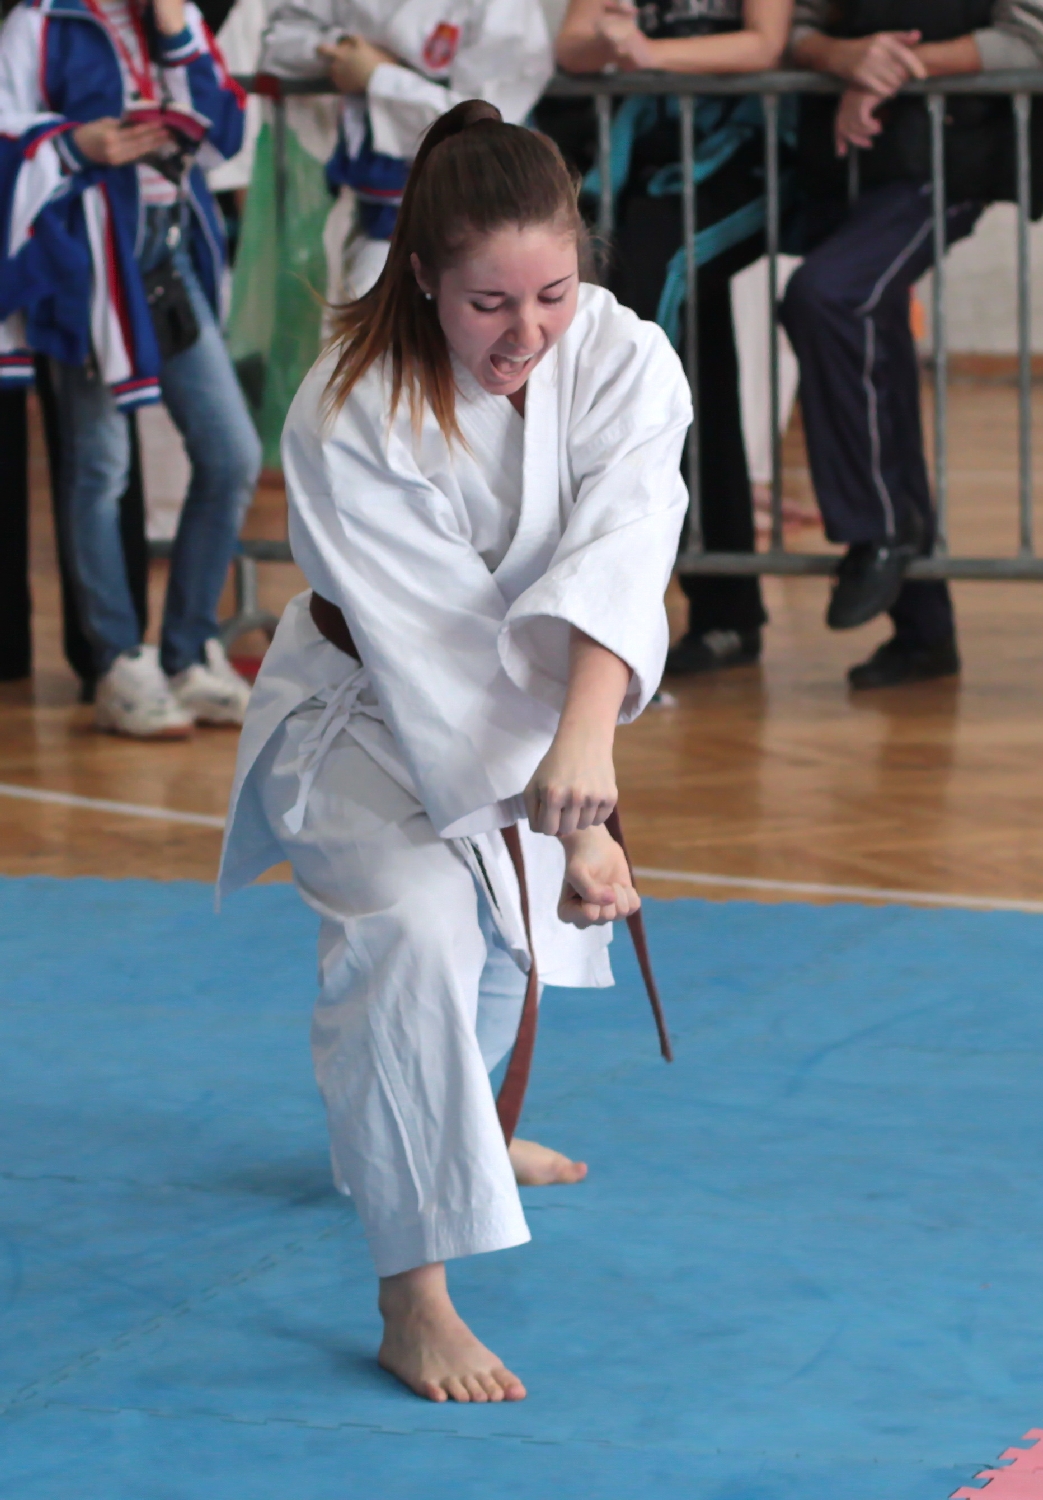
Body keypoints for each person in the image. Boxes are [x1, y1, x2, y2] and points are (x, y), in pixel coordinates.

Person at [218, 101, 691, 1402]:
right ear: (421, 274)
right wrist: (570, 823)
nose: (525, 333)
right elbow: (435, 652)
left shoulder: (623, 356)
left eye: (552, 292)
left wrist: (583, 764)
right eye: (488, 303)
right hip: (366, 709)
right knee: (418, 931)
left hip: (545, 708)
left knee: (502, 945)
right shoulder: (350, 406)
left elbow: (622, 550)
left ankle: (455, 1129)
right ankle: (410, 1292)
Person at [0, 0, 261, 736]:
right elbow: (4, 134)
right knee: (101, 464)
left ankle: (188, 652)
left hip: (169, 256)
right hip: (89, 263)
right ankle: (119, 661)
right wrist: (73, 144)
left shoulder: (174, 15)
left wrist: (175, 30)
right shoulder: (40, 22)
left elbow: (226, 130)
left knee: (232, 455)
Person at [782, 0, 1043, 689]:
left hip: (950, 157)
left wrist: (892, 69)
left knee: (828, 295)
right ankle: (924, 631)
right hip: (853, 164)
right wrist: (841, 57)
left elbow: (1031, 38)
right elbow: (797, 25)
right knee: (875, 349)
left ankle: (879, 527)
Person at [556, 0, 792, 677]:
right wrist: (611, 41)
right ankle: (721, 610)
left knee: (648, 346)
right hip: (644, 169)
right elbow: (572, 46)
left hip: (742, 157)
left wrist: (651, 54)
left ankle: (642, 597)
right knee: (694, 359)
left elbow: (764, 44)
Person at [258, 0, 555, 302]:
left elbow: (488, 121)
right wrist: (342, 49)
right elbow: (278, 43)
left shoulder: (505, 9)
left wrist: (379, 77)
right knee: (361, 308)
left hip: (473, 217)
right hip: (365, 210)